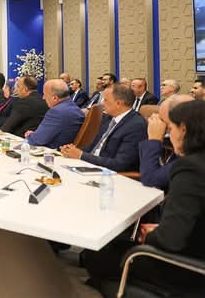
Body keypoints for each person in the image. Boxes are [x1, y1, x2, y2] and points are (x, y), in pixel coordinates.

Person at [82, 100, 205, 295]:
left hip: (186, 268)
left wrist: (151, 234)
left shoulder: (191, 168)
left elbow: (170, 240)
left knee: (97, 255)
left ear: (183, 129)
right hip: (193, 245)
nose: (167, 134)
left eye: (169, 128)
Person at [61, 85, 147, 172]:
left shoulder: (136, 126)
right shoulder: (108, 117)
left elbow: (120, 164)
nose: (102, 103)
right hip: (90, 165)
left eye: (105, 100)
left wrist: (81, 155)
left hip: (109, 174)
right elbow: (94, 145)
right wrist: (72, 151)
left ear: (118, 103)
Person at [139, 94, 193, 190]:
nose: (164, 129)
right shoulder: (189, 141)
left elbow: (150, 180)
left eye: (168, 127)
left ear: (183, 127)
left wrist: (154, 140)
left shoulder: (193, 157)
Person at [25, 79, 84, 149]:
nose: (43, 98)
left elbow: (37, 140)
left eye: (45, 94)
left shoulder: (56, 112)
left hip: (54, 152)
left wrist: (30, 135)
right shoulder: (75, 108)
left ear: (55, 98)